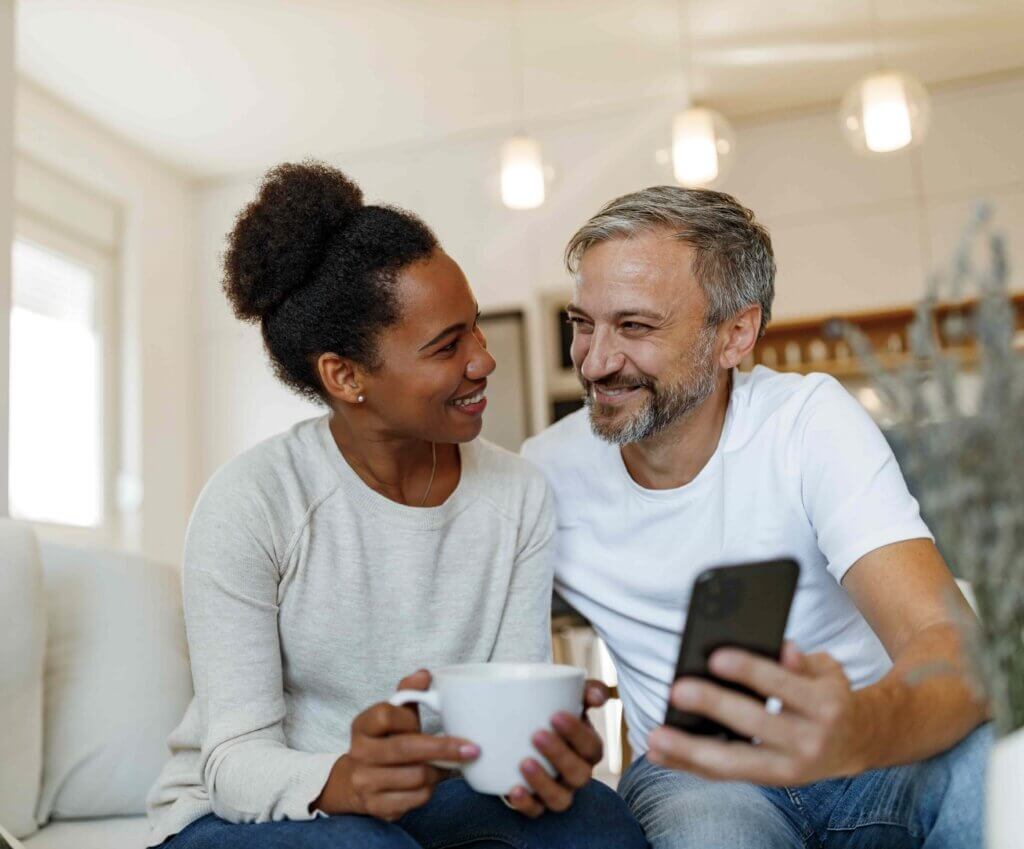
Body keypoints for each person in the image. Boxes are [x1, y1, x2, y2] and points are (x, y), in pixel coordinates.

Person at [146, 162, 648, 849]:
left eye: (473, 328)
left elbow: (500, 731)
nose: (483, 360)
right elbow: (232, 762)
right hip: (243, 813)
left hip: (436, 800)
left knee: (598, 820)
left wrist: (541, 753)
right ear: (345, 376)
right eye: (448, 346)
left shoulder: (517, 494)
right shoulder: (253, 502)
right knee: (366, 846)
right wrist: (348, 779)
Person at [521, 185, 991, 849]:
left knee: (989, 764)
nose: (596, 361)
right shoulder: (541, 477)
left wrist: (857, 727)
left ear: (735, 334)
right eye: (582, 323)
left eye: (634, 327)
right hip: (699, 774)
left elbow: (950, 642)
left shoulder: (807, 421)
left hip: (871, 747)